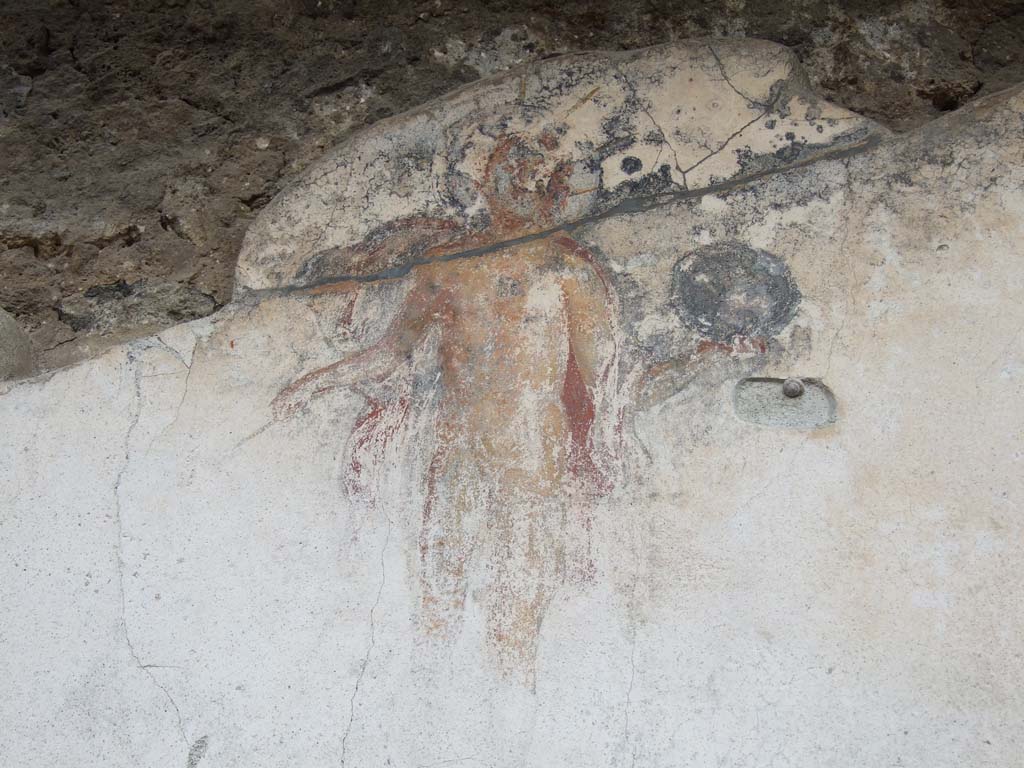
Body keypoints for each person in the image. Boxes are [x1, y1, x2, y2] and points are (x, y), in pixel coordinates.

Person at [272, 129, 623, 684]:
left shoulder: (566, 270)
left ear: (557, 190)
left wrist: (610, 446)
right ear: (485, 180)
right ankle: (428, 692)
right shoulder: (447, 265)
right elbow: (390, 352)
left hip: (530, 442)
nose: (526, 184)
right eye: (513, 170)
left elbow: (604, 373)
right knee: (440, 575)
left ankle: (514, 702)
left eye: (539, 175)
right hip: (456, 439)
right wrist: (314, 382)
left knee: (518, 589)